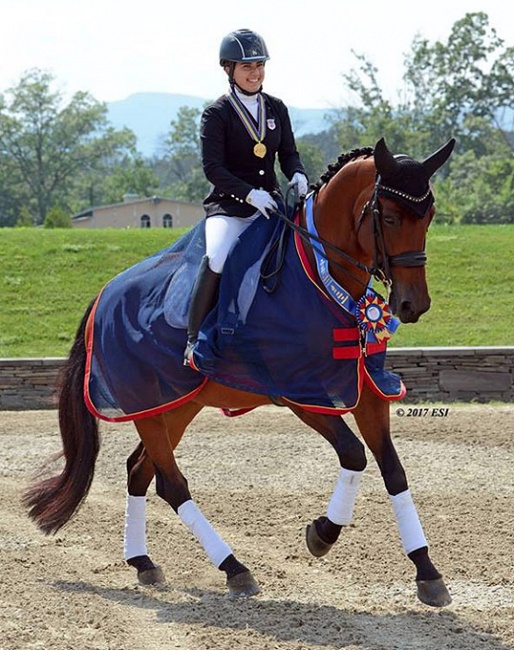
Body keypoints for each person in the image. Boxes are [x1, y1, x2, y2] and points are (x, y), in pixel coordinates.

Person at [184, 28, 308, 364]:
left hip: (271, 205)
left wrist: (297, 173)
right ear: (229, 69)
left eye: (259, 66)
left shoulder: (276, 108)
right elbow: (213, 169)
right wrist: (250, 195)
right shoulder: (217, 113)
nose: (255, 74)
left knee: (304, 253)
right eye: (246, 67)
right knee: (219, 256)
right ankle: (196, 341)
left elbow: (289, 153)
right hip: (230, 207)